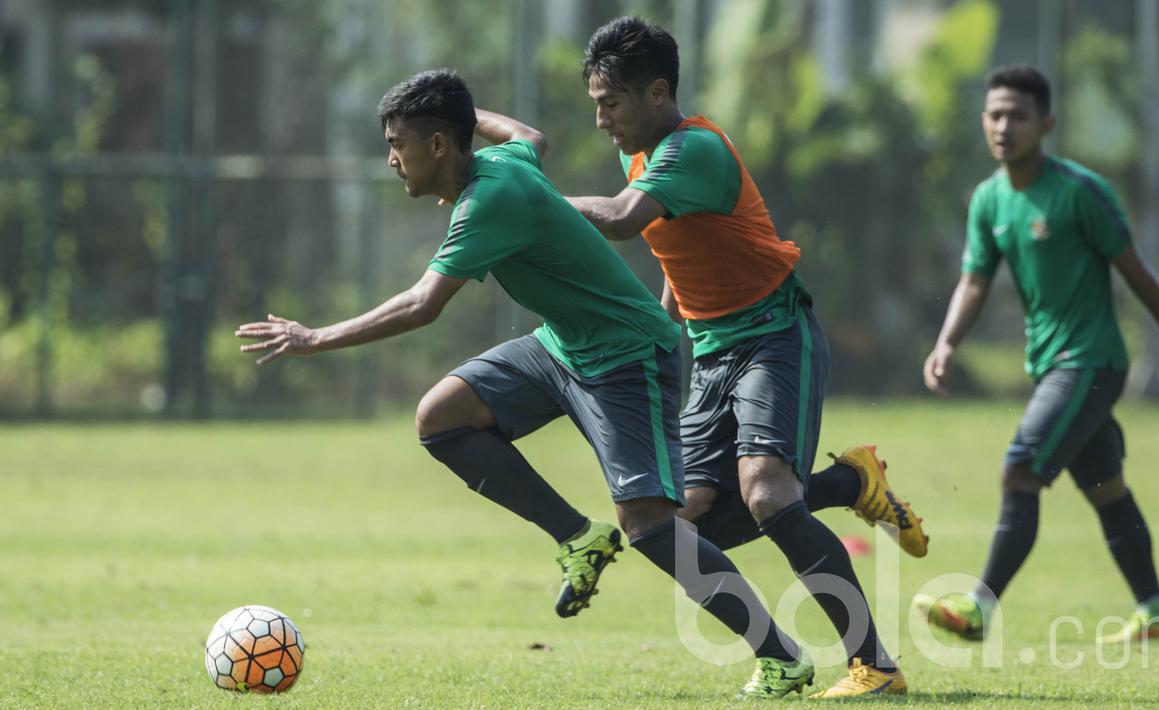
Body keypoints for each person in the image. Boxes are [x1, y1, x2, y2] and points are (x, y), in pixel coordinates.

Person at [236, 69, 816, 699]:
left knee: (650, 525)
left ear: (436, 147)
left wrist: (314, 338)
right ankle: (576, 535)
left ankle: (781, 656)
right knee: (441, 417)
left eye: (399, 142)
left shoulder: (488, 199)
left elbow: (423, 305)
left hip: (626, 354)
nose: (391, 158)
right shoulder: (504, 159)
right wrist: (455, 111)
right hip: (561, 345)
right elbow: (528, 134)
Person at [564, 16, 923, 698]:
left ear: (656, 93)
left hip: (773, 336)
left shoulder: (692, 148)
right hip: (711, 352)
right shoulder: (638, 154)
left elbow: (618, 220)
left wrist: (527, 198)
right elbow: (683, 242)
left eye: (609, 103)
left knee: (764, 492)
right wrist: (667, 324)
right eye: (595, 105)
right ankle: (849, 486)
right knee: (678, 526)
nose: (601, 119)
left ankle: (874, 666)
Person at [913, 65, 1159, 644]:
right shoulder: (989, 200)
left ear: (1045, 124)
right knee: (1106, 488)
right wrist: (947, 342)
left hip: (1092, 361)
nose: (1004, 126)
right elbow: (974, 281)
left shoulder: (1079, 191)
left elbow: (1135, 271)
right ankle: (1154, 610)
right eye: (995, 114)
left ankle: (978, 608)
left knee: (1020, 471)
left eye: (1018, 116)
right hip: (1052, 364)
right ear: (983, 121)